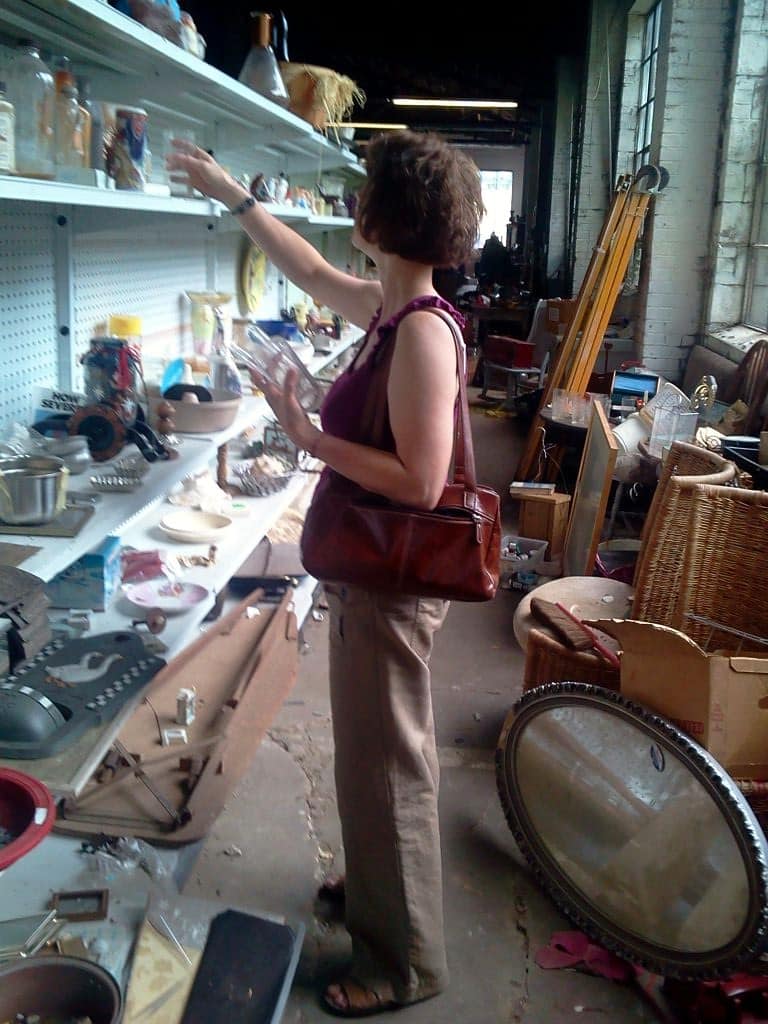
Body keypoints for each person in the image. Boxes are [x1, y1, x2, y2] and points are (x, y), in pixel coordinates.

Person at [167, 129, 483, 1018]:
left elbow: (421, 483)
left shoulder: (421, 332)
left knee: (390, 761)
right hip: (370, 573)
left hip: (393, 576)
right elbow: (306, 271)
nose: (351, 206)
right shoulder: (391, 305)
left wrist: (308, 438)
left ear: (387, 216)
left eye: (363, 192)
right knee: (370, 753)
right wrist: (234, 195)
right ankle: (384, 888)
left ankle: (405, 960)